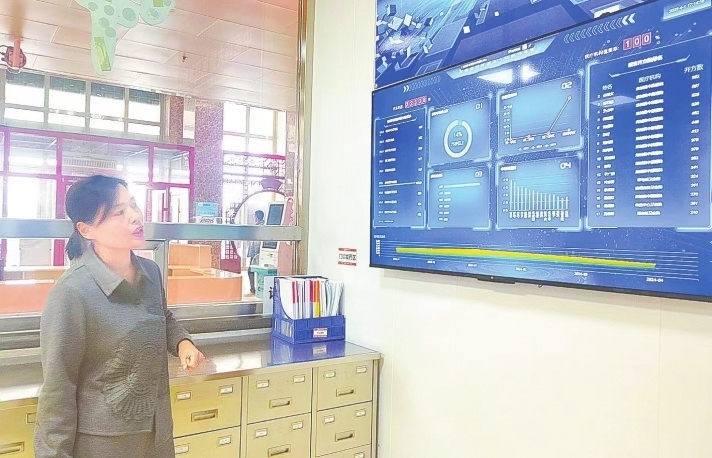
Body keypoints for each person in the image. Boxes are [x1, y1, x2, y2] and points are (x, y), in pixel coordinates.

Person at [34, 175, 205, 458]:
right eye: (119, 212)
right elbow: (58, 389)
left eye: (133, 205)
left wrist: (182, 343)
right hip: (103, 445)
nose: (135, 216)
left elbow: (161, 317)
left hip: (157, 435)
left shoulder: (150, 272)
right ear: (86, 229)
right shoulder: (72, 292)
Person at [247, 209, 265, 294]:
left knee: (251, 270)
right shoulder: (262, 226)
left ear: (256, 217)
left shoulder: (258, 227)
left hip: (256, 253)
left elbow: (255, 242)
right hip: (257, 253)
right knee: (255, 271)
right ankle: (256, 288)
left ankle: (253, 288)